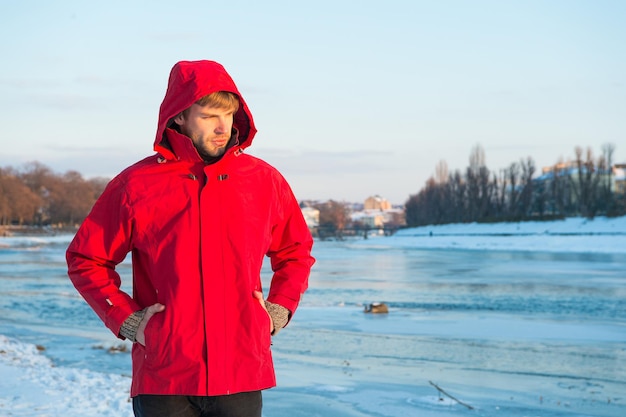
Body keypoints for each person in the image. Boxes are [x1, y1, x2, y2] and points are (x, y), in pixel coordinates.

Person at [66, 60, 315, 417]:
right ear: (179, 116)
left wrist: (277, 310)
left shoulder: (264, 181)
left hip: (240, 374)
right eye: (209, 115)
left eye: (228, 114)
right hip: (164, 377)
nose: (221, 126)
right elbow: (86, 259)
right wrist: (127, 320)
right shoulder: (135, 185)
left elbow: (296, 251)